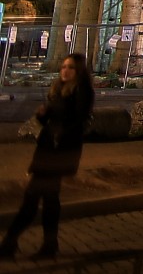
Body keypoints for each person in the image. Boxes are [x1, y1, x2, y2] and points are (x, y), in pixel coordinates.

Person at [2, 53, 93, 260]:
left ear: (78, 71)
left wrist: (60, 132)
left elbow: (78, 122)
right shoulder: (58, 90)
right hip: (47, 149)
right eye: (63, 67)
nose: (65, 70)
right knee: (48, 199)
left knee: (33, 198)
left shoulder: (81, 91)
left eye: (70, 67)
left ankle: (10, 242)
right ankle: (47, 244)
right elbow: (49, 120)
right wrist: (43, 114)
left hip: (60, 151)